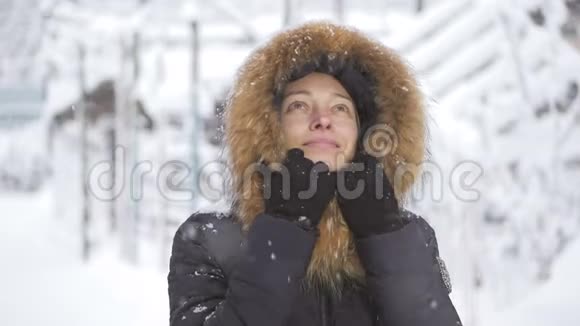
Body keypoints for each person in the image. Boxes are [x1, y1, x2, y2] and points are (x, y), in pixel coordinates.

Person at [167, 21, 462, 326]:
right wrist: (283, 229)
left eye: (340, 109)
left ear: (364, 132)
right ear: (268, 129)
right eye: (299, 105)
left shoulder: (409, 236)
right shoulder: (211, 240)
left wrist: (384, 236)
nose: (322, 119)